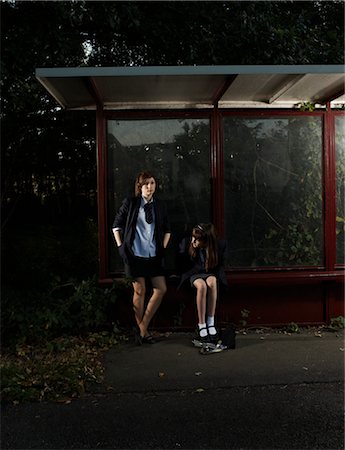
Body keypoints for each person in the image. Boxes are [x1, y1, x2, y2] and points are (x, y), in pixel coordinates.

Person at [112, 171, 171, 344]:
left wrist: (163, 248)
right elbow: (116, 226)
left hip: (154, 254)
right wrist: (121, 248)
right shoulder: (130, 203)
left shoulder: (160, 205)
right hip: (134, 254)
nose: (149, 187)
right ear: (139, 186)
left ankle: (141, 328)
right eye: (146, 184)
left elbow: (167, 229)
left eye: (152, 183)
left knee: (161, 289)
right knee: (140, 290)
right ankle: (143, 332)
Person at [178, 223, 227, 344]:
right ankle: (201, 324)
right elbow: (182, 265)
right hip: (192, 273)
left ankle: (210, 322)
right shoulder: (186, 243)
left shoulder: (219, 245)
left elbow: (220, 265)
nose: (193, 240)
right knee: (202, 286)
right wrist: (193, 249)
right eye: (193, 237)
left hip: (209, 272)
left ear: (206, 241)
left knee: (212, 282)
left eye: (197, 239)